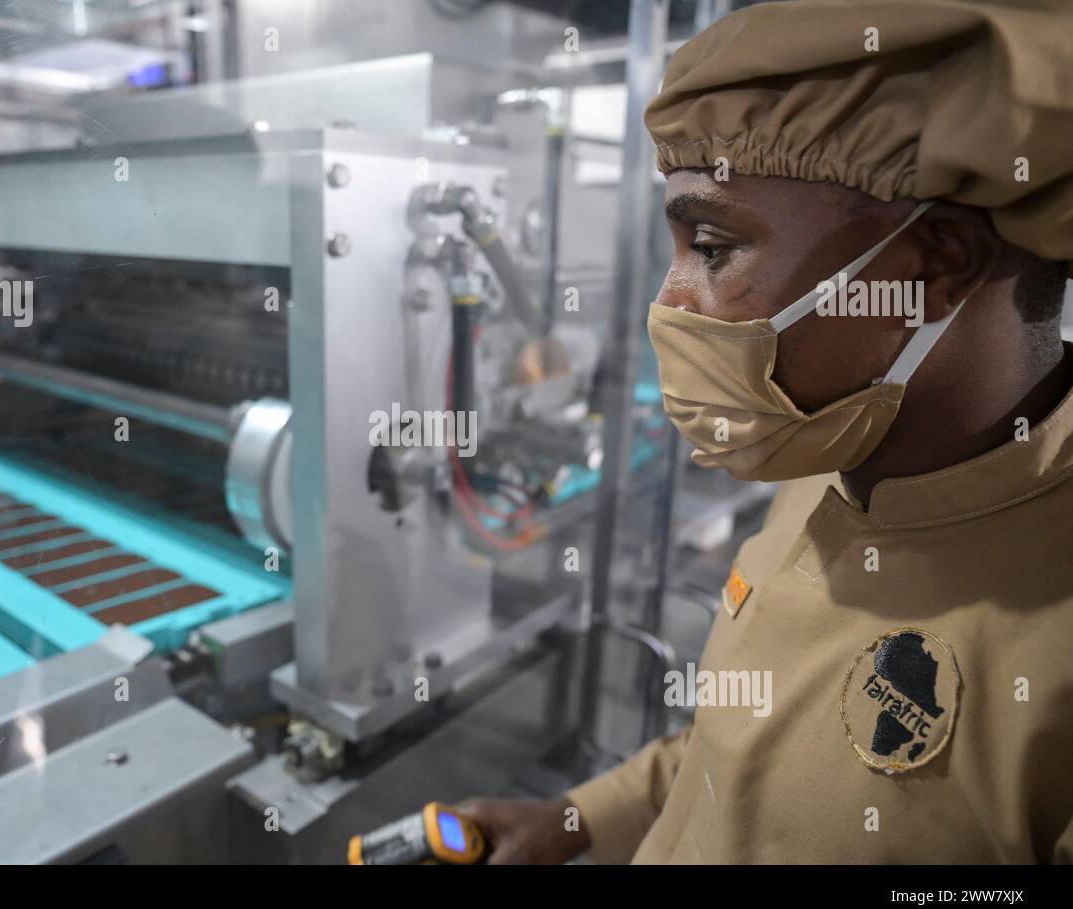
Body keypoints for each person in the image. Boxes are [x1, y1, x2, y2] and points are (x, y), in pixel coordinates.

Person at [460, 0, 1073, 863]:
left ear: (935, 265)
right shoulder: (825, 450)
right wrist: (576, 819)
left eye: (711, 246)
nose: (668, 305)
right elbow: (742, 746)